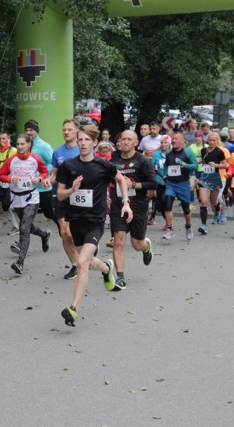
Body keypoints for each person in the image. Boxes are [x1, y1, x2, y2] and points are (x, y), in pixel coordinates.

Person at [56, 125, 132, 327]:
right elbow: (60, 194)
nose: (82, 143)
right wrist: (72, 189)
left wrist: (125, 203)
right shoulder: (68, 166)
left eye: (86, 140)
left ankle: (73, 308)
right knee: (88, 263)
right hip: (76, 222)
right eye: (80, 139)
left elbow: (121, 180)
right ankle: (106, 267)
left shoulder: (103, 166)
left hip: (96, 222)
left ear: (94, 143)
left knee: (81, 262)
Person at [109, 130, 156, 290]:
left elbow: (153, 183)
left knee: (136, 244)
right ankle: (120, 277)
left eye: (129, 139)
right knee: (119, 240)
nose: (125, 142)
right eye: (123, 139)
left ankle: (146, 246)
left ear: (136, 143)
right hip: (118, 205)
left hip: (138, 206)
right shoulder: (113, 159)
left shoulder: (142, 161)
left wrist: (134, 185)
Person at [0, 133, 50, 275]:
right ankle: (44, 235)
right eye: (18, 144)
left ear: (28, 145)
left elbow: (45, 171)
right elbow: (0, 175)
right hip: (17, 198)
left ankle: (20, 262)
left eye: (22, 144)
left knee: (24, 228)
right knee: (28, 227)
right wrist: (9, 178)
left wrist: (39, 178)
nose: (20, 147)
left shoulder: (35, 159)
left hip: (31, 197)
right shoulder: (11, 160)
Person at [50, 119, 80, 279]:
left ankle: (85, 251)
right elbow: (54, 173)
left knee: (75, 232)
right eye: (64, 130)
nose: (66, 132)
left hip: (80, 196)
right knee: (64, 232)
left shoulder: (82, 149)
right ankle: (75, 265)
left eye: (69, 129)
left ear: (76, 131)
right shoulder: (57, 152)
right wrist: (49, 179)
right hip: (62, 195)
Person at [162, 130, 198, 240]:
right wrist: (165, 174)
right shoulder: (168, 153)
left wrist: (184, 164)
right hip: (171, 183)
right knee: (167, 205)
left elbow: (195, 166)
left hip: (183, 184)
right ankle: (170, 229)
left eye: (176, 139)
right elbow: (166, 166)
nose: (173, 140)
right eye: (173, 139)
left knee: (186, 209)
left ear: (182, 141)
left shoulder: (188, 152)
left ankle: (188, 226)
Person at [196, 132, 227, 235]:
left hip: (214, 179)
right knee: (204, 201)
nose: (212, 142)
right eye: (210, 140)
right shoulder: (203, 150)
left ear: (217, 141)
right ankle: (203, 225)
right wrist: (197, 162)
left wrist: (216, 165)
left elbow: (225, 165)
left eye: (214, 140)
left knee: (213, 202)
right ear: (207, 140)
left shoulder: (219, 152)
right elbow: (203, 160)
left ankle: (218, 211)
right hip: (204, 178)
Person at [23, 119, 54, 222]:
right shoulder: (24, 145)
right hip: (29, 188)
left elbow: (53, 163)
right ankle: (28, 236)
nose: (28, 132)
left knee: (49, 214)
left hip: (42, 188)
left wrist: (41, 174)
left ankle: (64, 228)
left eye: (31, 130)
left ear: (37, 131)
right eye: (26, 130)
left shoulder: (43, 146)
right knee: (26, 216)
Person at [150, 135, 171, 230]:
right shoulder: (156, 154)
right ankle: (167, 221)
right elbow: (151, 167)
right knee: (160, 204)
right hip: (159, 180)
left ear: (169, 144)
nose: (163, 144)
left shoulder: (172, 153)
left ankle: (169, 222)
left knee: (165, 201)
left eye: (165, 142)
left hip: (170, 182)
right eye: (162, 142)